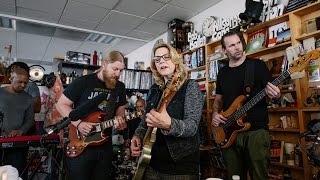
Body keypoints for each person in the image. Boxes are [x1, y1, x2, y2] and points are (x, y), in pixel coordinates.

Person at [211, 30, 281, 180]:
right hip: (229, 131)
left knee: (259, 175)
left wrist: (276, 95)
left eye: (238, 43)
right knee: (235, 176)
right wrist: (215, 114)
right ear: (224, 50)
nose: (237, 47)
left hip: (255, 130)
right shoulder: (222, 73)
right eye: (231, 45)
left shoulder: (258, 66)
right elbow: (218, 100)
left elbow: (272, 96)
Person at [130, 42, 203, 180]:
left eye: (166, 57)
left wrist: (169, 124)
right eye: (157, 59)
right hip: (151, 164)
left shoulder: (190, 86)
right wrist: (137, 137)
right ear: (155, 65)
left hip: (180, 169)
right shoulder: (153, 90)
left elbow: (192, 127)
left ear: (175, 60)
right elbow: (145, 122)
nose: (161, 61)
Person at [56, 50, 127, 180]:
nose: (118, 74)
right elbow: (61, 104)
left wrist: (120, 121)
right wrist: (79, 124)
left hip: (105, 145)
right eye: (115, 69)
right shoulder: (83, 82)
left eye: (121, 70)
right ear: (104, 64)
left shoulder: (120, 87)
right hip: (80, 143)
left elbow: (120, 112)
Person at [0, 65, 35, 179]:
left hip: (17, 142)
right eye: (19, 82)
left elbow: (30, 120)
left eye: (25, 82)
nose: (23, 85)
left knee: (17, 173)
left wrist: (21, 131)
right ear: (11, 79)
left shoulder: (28, 98)